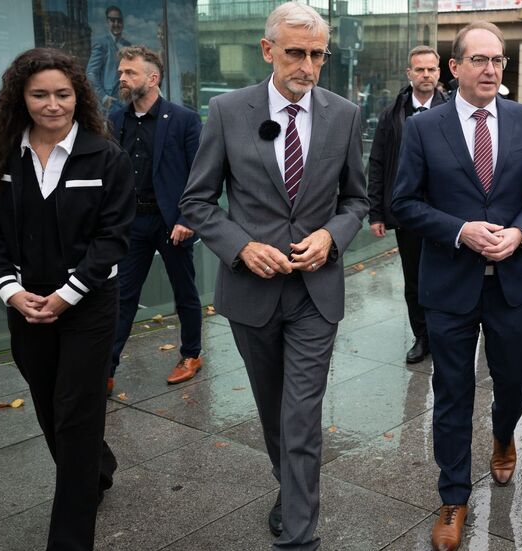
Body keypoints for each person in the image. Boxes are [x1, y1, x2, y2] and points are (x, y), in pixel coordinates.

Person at [178, 3, 367, 548]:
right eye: (295, 53)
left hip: (315, 293)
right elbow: (196, 202)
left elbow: (357, 200)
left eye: (317, 55)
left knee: (302, 415)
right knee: (273, 412)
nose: (307, 66)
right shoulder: (227, 111)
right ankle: (291, 488)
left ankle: (299, 537)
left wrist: (332, 236)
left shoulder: (345, 115)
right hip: (251, 293)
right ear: (268, 51)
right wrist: (241, 247)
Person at [391, 21, 522, 551]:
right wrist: (460, 230)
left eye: (498, 60)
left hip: (510, 285)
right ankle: (453, 495)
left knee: (513, 380)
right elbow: (404, 203)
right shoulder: (424, 128)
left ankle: (503, 437)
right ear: (454, 67)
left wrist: (521, 233)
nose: (490, 69)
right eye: (479, 60)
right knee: (452, 392)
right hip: (449, 285)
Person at [0, 47, 135, 550]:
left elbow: (112, 238)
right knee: (48, 405)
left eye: (62, 94)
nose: (52, 104)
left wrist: (67, 295)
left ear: (77, 96)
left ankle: (69, 538)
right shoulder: (0, 159)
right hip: (25, 305)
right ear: (20, 98)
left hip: (89, 305)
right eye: (39, 94)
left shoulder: (106, 157)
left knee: (76, 412)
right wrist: (11, 291)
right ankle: (96, 468)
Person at [107, 45, 204, 393]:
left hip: (172, 222)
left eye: (129, 72)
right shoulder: (116, 120)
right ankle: (106, 369)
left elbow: (201, 174)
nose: (122, 77)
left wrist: (187, 218)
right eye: (121, 72)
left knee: (184, 292)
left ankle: (191, 354)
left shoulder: (183, 119)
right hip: (132, 222)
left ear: (152, 78)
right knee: (122, 296)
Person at [367, 45, 447, 364]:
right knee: (414, 279)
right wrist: (376, 212)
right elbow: (377, 162)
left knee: (444, 277)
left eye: (431, 69)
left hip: (445, 211)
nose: (426, 75)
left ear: (439, 72)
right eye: (420, 69)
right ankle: (422, 335)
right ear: (409, 73)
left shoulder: (453, 109)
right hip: (408, 211)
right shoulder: (392, 114)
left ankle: (445, 334)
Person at [87, 5, 131, 114]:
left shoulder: (127, 45)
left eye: (119, 20)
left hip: (126, 101)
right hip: (110, 103)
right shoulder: (101, 43)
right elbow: (91, 73)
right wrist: (103, 97)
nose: (116, 23)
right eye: (113, 20)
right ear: (107, 22)